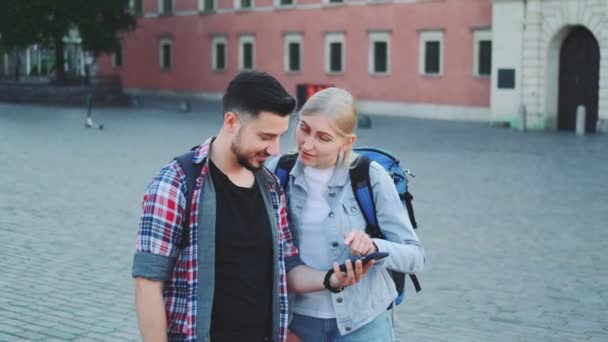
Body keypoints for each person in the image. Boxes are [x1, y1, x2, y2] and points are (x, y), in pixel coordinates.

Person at [132, 72, 371, 342]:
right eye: (265, 136)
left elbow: (288, 264)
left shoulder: (270, 186)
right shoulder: (176, 183)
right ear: (232, 122)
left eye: (280, 136)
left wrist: (331, 279)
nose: (275, 149)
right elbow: (148, 283)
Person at [268, 87, 425, 342]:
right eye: (304, 128)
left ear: (347, 142)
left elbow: (415, 256)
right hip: (297, 323)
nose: (307, 143)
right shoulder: (277, 171)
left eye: (323, 137)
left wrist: (373, 246)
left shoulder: (370, 177)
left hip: (364, 323)